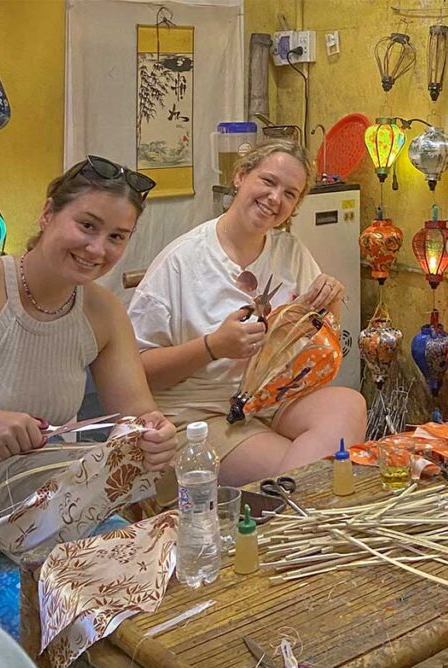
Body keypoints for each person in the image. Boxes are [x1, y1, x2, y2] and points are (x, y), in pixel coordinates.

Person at [128, 139, 366, 487]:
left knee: (349, 404)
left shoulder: (291, 252)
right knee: (309, 472)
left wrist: (328, 306)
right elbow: (136, 372)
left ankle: (295, 501)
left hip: (269, 398)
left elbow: (318, 354)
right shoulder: (182, 261)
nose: (274, 198)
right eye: (268, 181)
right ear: (240, 176)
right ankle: (296, 506)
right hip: (201, 412)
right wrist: (212, 347)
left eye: (289, 194)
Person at [0, 157, 178, 489]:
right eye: (87, 225)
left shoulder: (104, 313)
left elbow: (137, 418)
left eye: (116, 237)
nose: (97, 249)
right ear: (47, 213)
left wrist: (155, 436)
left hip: (43, 492)